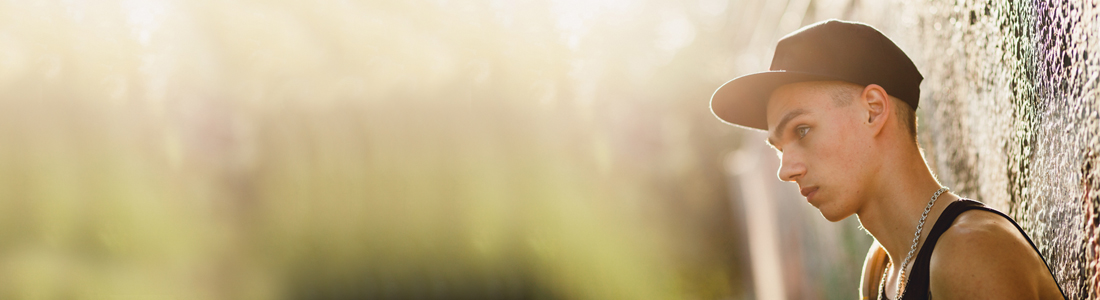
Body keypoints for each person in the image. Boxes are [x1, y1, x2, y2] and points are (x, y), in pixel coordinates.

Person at [709, 19, 1068, 300]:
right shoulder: (882, 269)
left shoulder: (968, 252)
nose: (786, 169)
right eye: (778, 148)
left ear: (874, 110)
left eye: (802, 131)